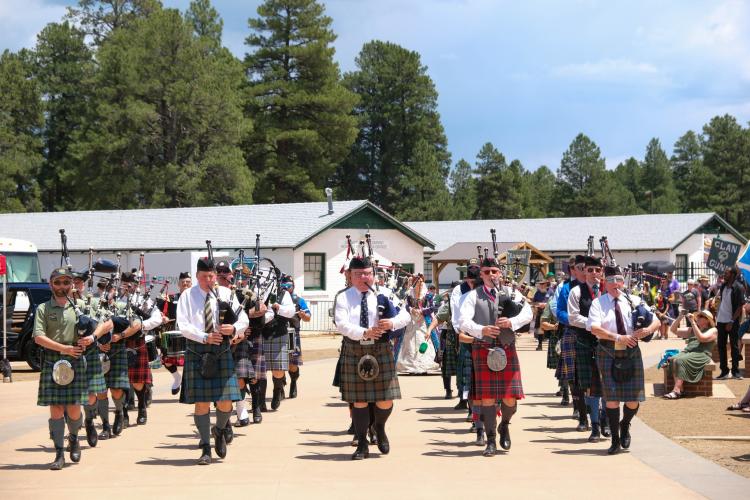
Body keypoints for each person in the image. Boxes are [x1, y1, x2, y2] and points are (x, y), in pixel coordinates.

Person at [334, 257, 410, 460]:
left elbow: (406, 316)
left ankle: (379, 427)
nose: (364, 277)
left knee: (385, 399)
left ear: (373, 275)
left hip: (381, 348)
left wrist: (391, 323)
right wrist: (364, 332)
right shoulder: (343, 297)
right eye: (358, 274)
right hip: (355, 348)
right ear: (350, 276)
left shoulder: (385, 294)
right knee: (359, 401)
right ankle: (362, 444)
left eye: (367, 273)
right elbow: (341, 324)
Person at [176, 257, 249, 465]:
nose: (209, 280)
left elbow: (243, 318)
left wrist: (234, 328)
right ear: (197, 276)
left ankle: (219, 430)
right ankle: (206, 447)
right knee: (202, 402)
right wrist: (204, 336)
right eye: (205, 276)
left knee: (226, 401)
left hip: (221, 349)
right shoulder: (187, 297)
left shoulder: (225, 294)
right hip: (198, 350)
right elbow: (183, 325)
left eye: (212, 276)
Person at [458, 256, 533, 456]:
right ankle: (490, 440)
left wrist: (512, 323)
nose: (491, 275)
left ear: (500, 273)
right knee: (488, 398)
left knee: (510, 399)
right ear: (481, 275)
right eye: (486, 272)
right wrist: (481, 329)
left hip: (507, 347)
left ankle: (505, 425)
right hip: (484, 348)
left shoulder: (512, 292)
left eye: (494, 271)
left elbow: (528, 314)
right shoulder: (473, 296)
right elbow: (462, 321)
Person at [587, 264, 660, 455]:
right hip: (608, 351)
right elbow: (594, 328)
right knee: (611, 399)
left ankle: (625, 424)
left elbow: (657, 320)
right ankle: (615, 440)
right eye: (610, 280)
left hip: (631, 350)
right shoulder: (598, 303)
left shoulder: (634, 300)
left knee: (633, 399)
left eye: (618, 280)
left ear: (623, 282)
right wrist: (618, 337)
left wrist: (648, 330)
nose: (615, 284)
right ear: (605, 283)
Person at [34, 268, 90, 469]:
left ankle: (74, 438)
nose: (62, 287)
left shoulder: (81, 306)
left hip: (75, 358)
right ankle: (59, 453)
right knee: (56, 409)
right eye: (57, 283)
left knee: (74, 408)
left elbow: (100, 326)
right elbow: (38, 337)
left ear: (71, 285)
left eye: (66, 283)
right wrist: (63, 349)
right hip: (52, 359)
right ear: (51, 285)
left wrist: (89, 338)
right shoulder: (43, 308)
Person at [71, 270, 112, 449]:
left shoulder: (93, 301)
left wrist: (95, 337)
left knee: (90, 395)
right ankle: (72, 432)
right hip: (68, 354)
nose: (74, 285)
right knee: (69, 399)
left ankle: (89, 421)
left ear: (84, 284)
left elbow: (108, 323)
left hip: (89, 352)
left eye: (78, 282)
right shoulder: (60, 304)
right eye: (70, 282)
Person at [568, 256, 605, 441]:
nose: (593, 274)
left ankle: (606, 420)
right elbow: (573, 317)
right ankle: (595, 425)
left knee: (608, 384)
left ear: (601, 271)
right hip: (585, 342)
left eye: (597, 270)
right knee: (590, 386)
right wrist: (593, 325)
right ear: (584, 272)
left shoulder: (609, 290)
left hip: (607, 343)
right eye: (589, 270)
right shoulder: (576, 291)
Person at [664, 310, 718, 398]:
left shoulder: (713, 330)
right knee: (673, 359)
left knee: (680, 360)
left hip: (701, 354)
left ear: (707, 320)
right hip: (688, 352)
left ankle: (676, 390)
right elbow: (673, 330)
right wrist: (680, 316)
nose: (698, 318)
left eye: (701, 317)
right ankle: (680, 390)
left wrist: (692, 322)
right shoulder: (693, 329)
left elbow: (701, 338)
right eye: (699, 316)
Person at [715, 267, 744, 380]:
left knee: (734, 346)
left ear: (732, 274)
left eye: (726, 273)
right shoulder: (723, 286)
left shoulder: (738, 287)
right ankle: (724, 371)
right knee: (721, 346)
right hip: (721, 321)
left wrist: (731, 321)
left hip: (732, 321)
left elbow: (740, 306)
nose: (724, 275)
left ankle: (735, 371)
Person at [284, 278, 311, 399]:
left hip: (292, 334)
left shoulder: (299, 300)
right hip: (278, 334)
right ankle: (279, 386)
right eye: (283, 285)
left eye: (288, 285)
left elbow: (308, 317)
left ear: (293, 286)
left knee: (292, 364)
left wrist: (302, 314)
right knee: (278, 364)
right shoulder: (277, 298)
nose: (286, 287)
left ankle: (293, 382)